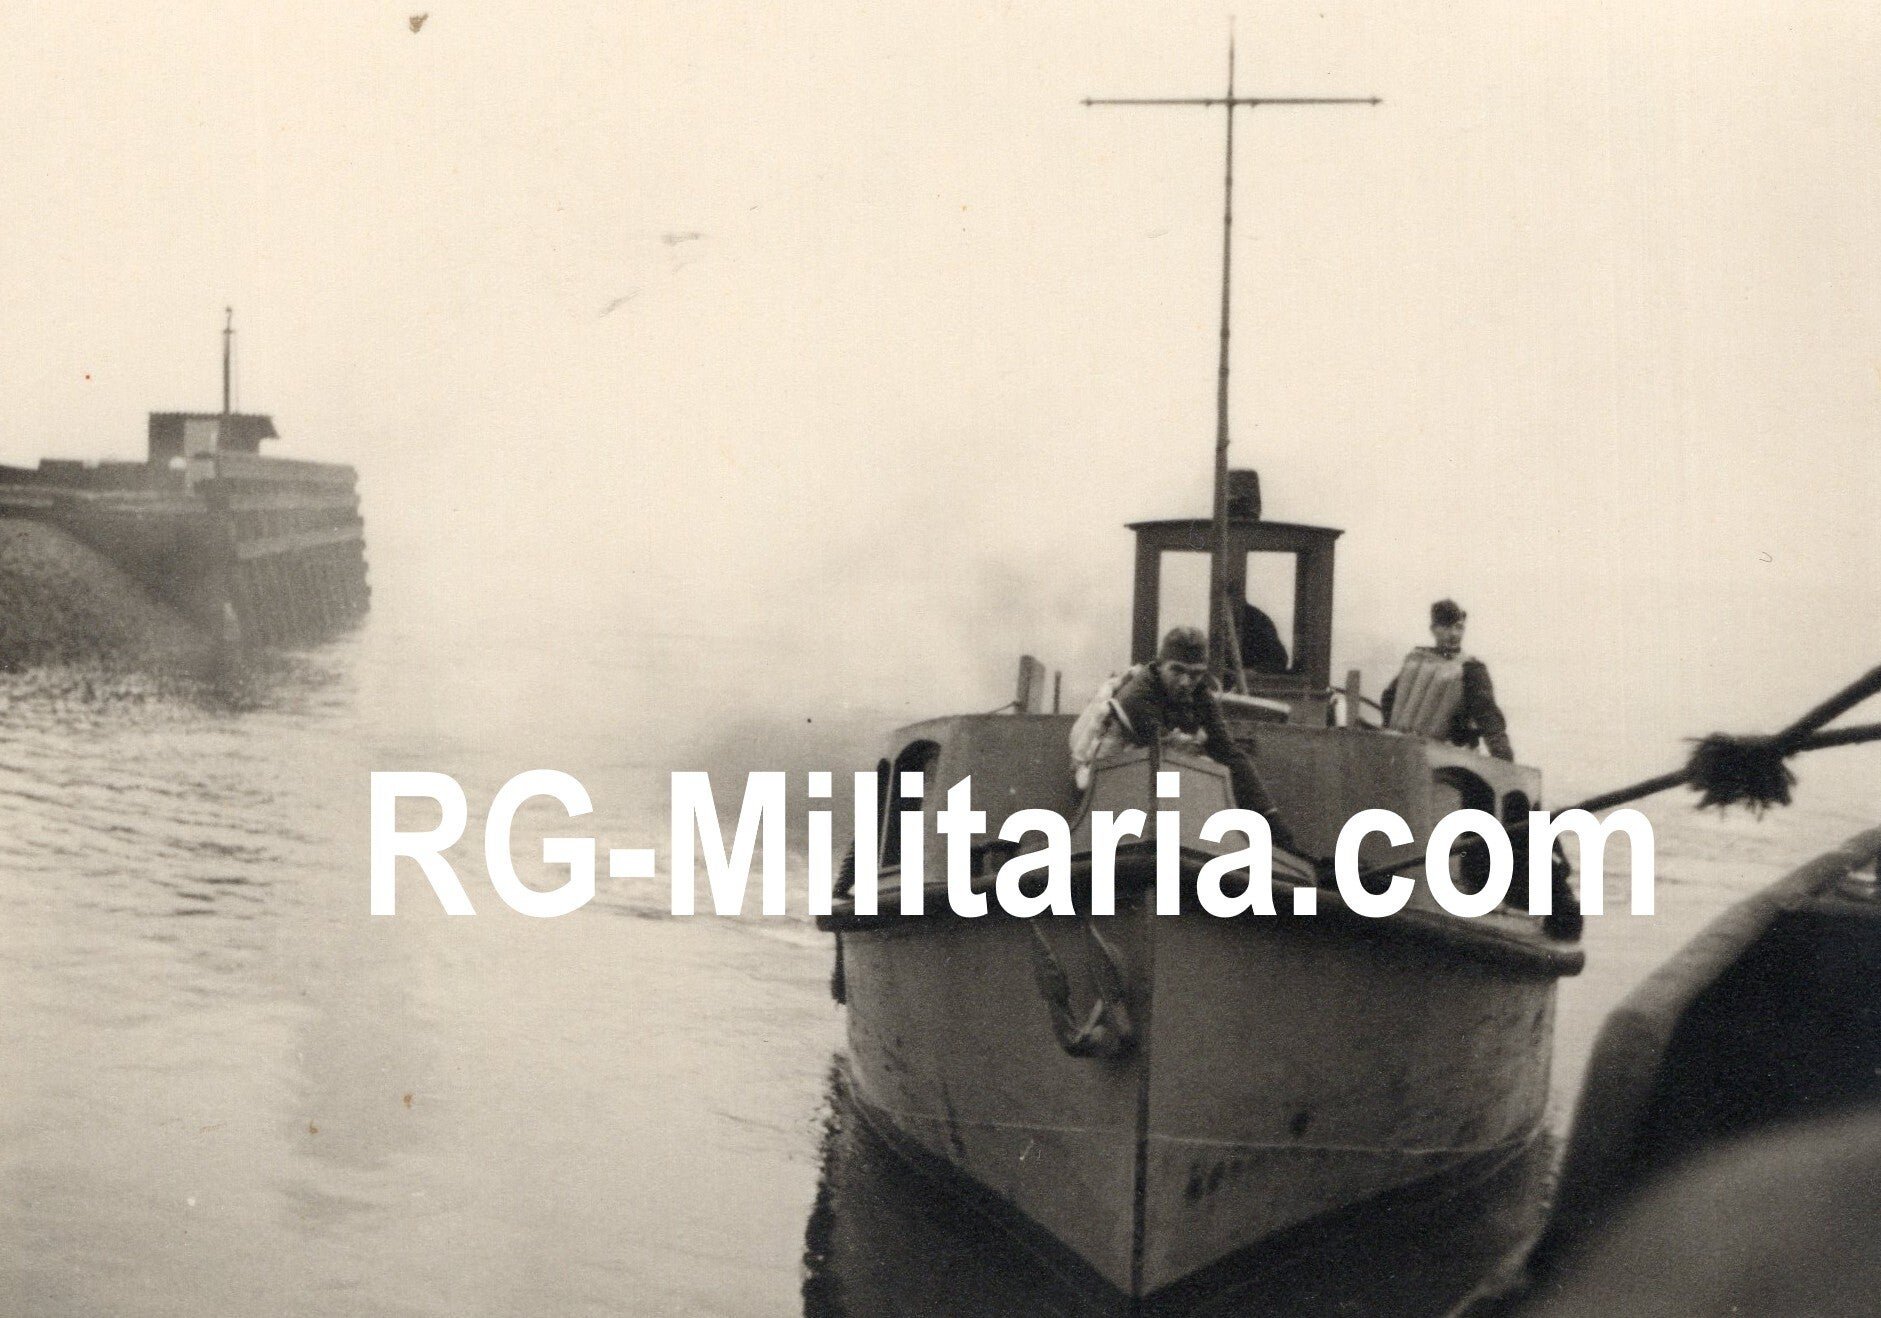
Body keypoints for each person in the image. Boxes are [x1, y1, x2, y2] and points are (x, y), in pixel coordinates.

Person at [1074, 625, 1297, 849]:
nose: (1185, 682)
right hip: (1114, 784)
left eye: (1195, 674)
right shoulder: (1137, 695)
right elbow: (1164, 752)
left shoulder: (1200, 694)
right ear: (1160, 665)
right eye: (1177, 671)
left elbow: (1228, 752)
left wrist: (1271, 819)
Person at [1380, 599, 1514, 760]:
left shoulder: (1471, 669)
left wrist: (1504, 760)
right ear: (1433, 630)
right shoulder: (1418, 663)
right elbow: (1389, 698)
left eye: (1458, 627)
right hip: (1412, 754)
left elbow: (1490, 719)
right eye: (1446, 627)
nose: (1454, 634)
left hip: (1454, 758)